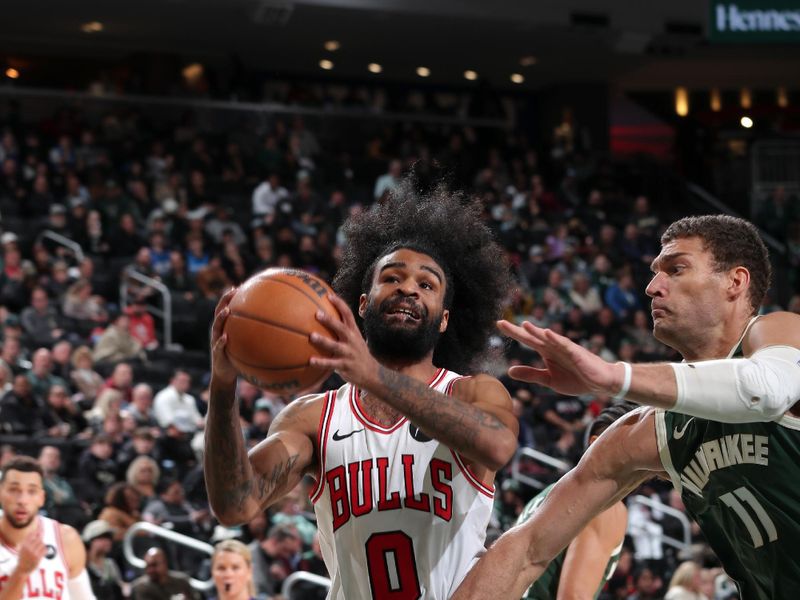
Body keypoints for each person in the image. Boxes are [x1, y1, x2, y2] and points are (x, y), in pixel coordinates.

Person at [452, 215, 800, 599]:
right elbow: (527, 548)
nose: (652, 287)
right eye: (654, 273)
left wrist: (614, 376)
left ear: (735, 282)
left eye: (676, 269)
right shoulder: (651, 431)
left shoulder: (777, 331)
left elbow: (767, 391)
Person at [206, 181, 518, 598]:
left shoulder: (473, 392)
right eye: (392, 277)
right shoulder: (314, 417)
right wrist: (223, 386)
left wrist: (370, 374)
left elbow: (497, 446)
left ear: (444, 320)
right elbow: (234, 504)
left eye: (427, 284)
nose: (408, 287)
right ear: (363, 302)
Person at [516, 403, 634, 600]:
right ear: (595, 444)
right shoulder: (605, 505)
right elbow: (573, 596)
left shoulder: (555, 490)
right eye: (633, 448)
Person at [0, 456, 95, 599]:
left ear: (42, 498)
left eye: (32, 491)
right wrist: (22, 571)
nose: (22, 500)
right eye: (14, 490)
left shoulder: (66, 538)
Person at [130, 547, 198, 600]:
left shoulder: (182, 581)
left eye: (154, 565)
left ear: (165, 563)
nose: (150, 570)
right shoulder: (140, 587)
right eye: (148, 566)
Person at [82, 520, 124, 600]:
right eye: (103, 537)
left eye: (109, 538)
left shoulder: (110, 564)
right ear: (91, 541)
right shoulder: (82, 565)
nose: (108, 542)